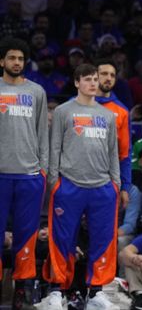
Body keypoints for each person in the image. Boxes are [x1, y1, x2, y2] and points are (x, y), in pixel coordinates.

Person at [44, 64, 120, 310]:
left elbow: (113, 152)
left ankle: (96, 292)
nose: (94, 84)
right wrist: (54, 181)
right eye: (88, 79)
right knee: (62, 240)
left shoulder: (109, 115)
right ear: (77, 83)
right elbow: (54, 147)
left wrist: (115, 184)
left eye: (96, 79)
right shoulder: (64, 111)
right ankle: (57, 291)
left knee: (103, 240)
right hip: (69, 185)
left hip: (102, 187)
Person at [0, 38, 49, 309]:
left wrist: (42, 169)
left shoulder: (37, 92)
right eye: (11, 58)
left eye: (20, 58)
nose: (16, 62)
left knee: (26, 234)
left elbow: (43, 133)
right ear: (2, 61)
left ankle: (22, 288)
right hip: (0, 173)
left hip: (29, 174)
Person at [96, 58, 132, 209]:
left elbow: (125, 153)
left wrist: (125, 187)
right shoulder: (75, 105)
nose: (108, 78)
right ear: (94, 76)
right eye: (104, 74)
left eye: (112, 75)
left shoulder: (122, 111)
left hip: (108, 179)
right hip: (75, 179)